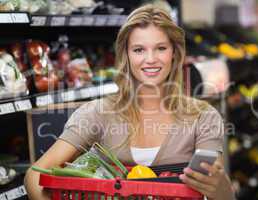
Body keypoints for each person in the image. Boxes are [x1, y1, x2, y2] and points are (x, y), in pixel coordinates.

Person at [24, 4, 234, 200]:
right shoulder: (98, 112)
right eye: (139, 50)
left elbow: (219, 191)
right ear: (126, 56)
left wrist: (222, 189)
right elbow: (34, 177)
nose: (150, 59)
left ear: (175, 54)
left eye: (161, 48)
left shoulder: (202, 116)